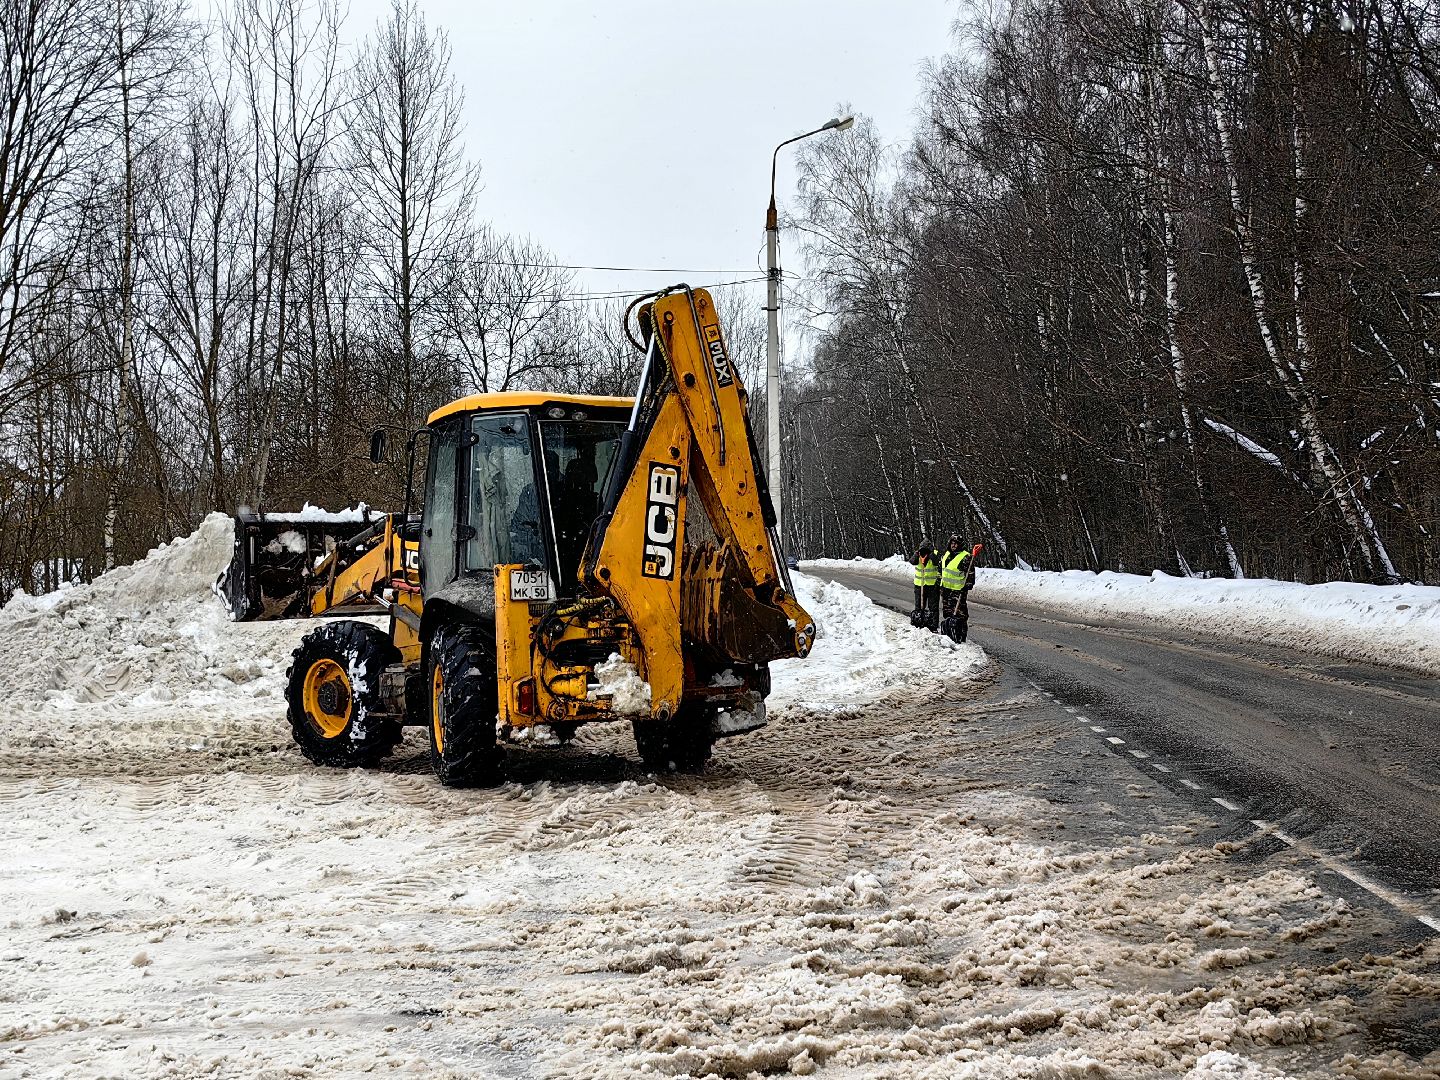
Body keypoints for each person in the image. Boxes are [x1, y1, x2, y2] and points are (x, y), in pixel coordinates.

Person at [939, 534, 971, 625]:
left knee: (960, 613)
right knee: (947, 611)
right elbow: (941, 568)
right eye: (952, 543)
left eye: (956, 544)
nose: (953, 545)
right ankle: (949, 631)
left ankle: (960, 632)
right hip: (945, 588)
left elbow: (970, 573)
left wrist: (967, 586)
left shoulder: (965, 557)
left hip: (958, 590)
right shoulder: (947, 555)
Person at [912, 541, 941, 628]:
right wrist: (917, 554)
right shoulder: (918, 554)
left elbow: (937, 562)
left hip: (932, 586)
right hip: (919, 585)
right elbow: (912, 561)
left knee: (933, 608)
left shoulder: (935, 554)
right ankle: (919, 623)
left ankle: (933, 625)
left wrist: (931, 554)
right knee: (919, 607)